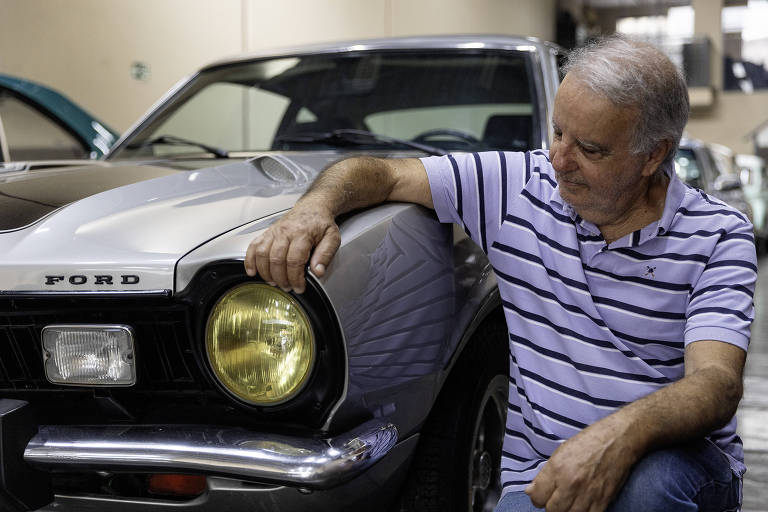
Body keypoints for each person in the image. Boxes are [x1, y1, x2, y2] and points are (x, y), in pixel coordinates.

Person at [244, 35, 755, 511]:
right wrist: (313, 209)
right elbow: (377, 172)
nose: (559, 160)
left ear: (655, 156)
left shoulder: (717, 233)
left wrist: (618, 438)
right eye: (558, 132)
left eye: (590, 150)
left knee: (649, 488)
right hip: (541, 472)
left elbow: (716, 384)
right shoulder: (519, 189)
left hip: (676, 465)